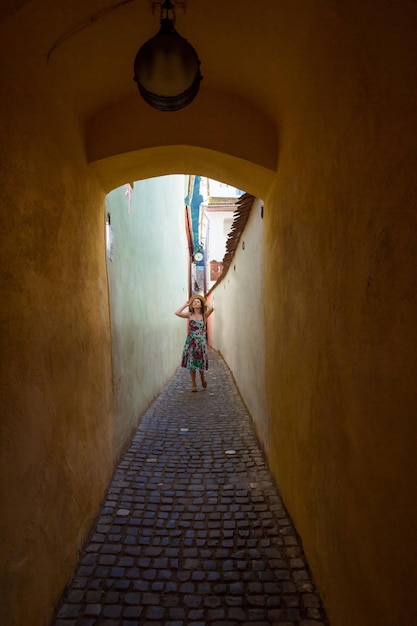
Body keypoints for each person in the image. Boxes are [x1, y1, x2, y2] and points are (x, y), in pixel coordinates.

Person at [175, 294, 214, 392]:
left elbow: (212, 308)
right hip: (191, 342)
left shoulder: (204, 315)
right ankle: (194, 384)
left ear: (201, 305)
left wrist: (206, 303)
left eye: (198, 301)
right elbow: (177, 313)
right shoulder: (189, 315)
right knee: (191, 362)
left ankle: (202, 378)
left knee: (200, 362)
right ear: (192, 305)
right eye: (194, 302)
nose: (196, 303)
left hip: (200, 342)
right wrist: (185, 305)